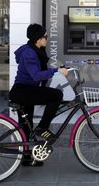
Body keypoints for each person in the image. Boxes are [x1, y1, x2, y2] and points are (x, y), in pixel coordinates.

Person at [9, 23, 68, 166]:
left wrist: (57, 70)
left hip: (26, 90)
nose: (47, 38)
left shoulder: (36, 50)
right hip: (23, 91)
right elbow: (36, 75)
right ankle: (43, 127)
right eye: (45, 36)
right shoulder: (30, 53)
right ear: (38, 38)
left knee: (26, 126)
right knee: (56, 95)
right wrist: (56, 71)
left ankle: (27, 158)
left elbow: (39, 73)